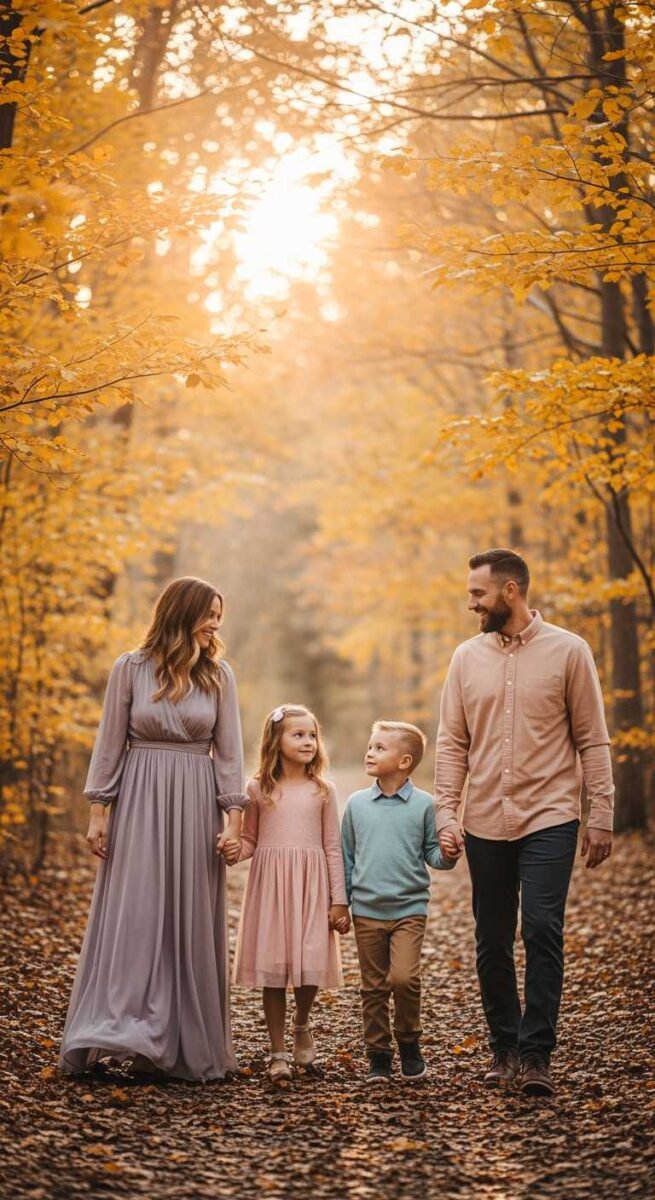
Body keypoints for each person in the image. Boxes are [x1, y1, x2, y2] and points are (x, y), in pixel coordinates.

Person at [436, 549, 614, 1097]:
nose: (471, 604)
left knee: (541, 929)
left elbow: (592, 736)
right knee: (491, 938)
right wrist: (446, 809)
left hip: (550, 816)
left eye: (478, 594)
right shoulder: (466, 658)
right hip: (486, 817)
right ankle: (504, 1048)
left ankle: (537, 1055)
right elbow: (452, 741)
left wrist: (601, 813)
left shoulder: (569, 651)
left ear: (510, 591)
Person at [59, 576, 248, 1082]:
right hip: (139, 800)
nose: (215, 624)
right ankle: (121, 1027)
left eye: (218, 615)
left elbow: (229, 754)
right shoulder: (131, 669)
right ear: (181, 613)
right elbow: (109, 744)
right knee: (135, 914)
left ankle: (174, 1042)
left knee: (184, 915)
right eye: (208, 613)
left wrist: (234, 820)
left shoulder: (219, 676)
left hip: (193, 801)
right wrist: (99, 810)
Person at [232, 704, 350, 1083]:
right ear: (275, 741)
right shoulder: (257, 788)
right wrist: (233, 850)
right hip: (271, 887)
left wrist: (339, 899)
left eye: (312, 735)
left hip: (311, 886)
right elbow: (250, 839)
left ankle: (302, 1023)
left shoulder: (323, 790)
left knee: (310, 960)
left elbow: (333, 846)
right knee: (274, 968)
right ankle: (278, 1050)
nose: (308, 742)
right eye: (298, 735)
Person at [341, 720, 459, 1085]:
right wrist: (340, 903)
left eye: (380, 747)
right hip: (366, 911)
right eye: (371, 745)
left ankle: (409, 1043)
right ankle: (378, 1055)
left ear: (404, 761)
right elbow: (346, 857)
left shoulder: (425, 805)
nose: (370, 751)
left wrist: (450, 853)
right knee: (373, 986)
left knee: (405, 979)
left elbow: (433, 855)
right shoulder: (357, 804)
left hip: (409, 910)